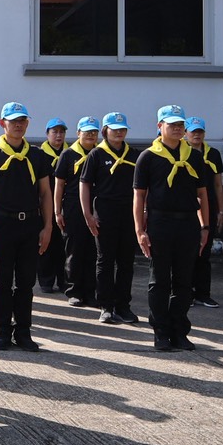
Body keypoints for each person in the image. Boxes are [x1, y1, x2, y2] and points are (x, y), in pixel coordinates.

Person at [0, 102, 52, 352]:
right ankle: (2, 332)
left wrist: (48, 226)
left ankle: (23, 331)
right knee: (2, 283)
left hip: (30, 224)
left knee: (26, 282)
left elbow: (45, 193)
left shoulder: (37, 155)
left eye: (22, 121)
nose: (18, 125)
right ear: (2, 124)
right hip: (2, 225)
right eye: (13, 121)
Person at [132, 105, 210, 352]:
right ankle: (161, 332)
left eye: (180, 125)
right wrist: (140, 230)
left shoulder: (194, 156)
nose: (177, 128)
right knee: (160, 281)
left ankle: (179, 331)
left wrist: (205, 227)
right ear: (160, 126)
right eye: (172, 124)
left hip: (188, 223)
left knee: (184, 281)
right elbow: (139, 195)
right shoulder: (148, 157)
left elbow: (202, 194)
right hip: (160, 223)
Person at [80, 112, 139, 326]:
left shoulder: (134, 154)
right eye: (115, 129)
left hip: (128, 214)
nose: (119, 132)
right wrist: (87, 214)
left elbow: (143, 187)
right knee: (105, 260)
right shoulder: (96, 154)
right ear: (105, 131)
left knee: (126, 262)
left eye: (123, 129)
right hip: (105, 213)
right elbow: (85, 184)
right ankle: (105, 306)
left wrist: (143, 212)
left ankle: (123, 305)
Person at [53, 117, 100, 308]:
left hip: (96, 207)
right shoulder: (68, 154)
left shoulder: (99, 153)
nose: (90, 135)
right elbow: (59, 185)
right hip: (73, 208)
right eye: (87, 132)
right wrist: (57, 211)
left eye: (94, 132)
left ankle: (90, 291)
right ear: (78, 133)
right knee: (74, 250)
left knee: (93, 251)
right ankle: (74, 290)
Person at [185, 117, 223, 309]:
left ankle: (203, 293)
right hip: (188, 207)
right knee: (187, 253)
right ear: (186, 133)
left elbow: (217, 184)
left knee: (204, 252)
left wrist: (221, 210)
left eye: (200, 131)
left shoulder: (213, 154)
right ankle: (186, 293)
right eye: (193, 131)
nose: (197, 135)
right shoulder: (181, 153)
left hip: (209, 206)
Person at [36, 117, 68, 293]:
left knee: (64, 246)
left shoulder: (70, 154)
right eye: (54, 132)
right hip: (46, 205)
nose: (58, 135)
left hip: (66, 205)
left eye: (62, 132)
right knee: (46, 243)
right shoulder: (40, 155)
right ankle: (46, 281)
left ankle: (64, 281)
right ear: (47, 134)